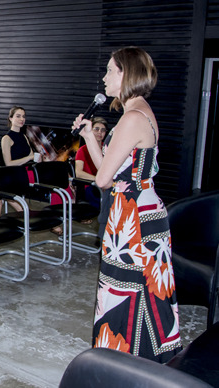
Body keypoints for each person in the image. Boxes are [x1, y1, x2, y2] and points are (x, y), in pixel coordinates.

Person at [72, 46, 181, 363]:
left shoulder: (133, 117)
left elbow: (103, 179)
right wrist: (90, 137)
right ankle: (136, 360)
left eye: (109, 70)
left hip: (133, 217)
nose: (104, 77)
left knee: (129, 289)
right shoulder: (136, 112)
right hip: (134, 210)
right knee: (137, 289)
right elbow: (111, 168)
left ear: (126, 74)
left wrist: (94, 146)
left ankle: (123, 361)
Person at [75, 117, 107, 210]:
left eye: (103, 130)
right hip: (91, 185)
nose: (100, 132)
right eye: (96, 129)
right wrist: (97, 180)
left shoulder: (108, 149)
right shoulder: (82, 150)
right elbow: (78, 173)